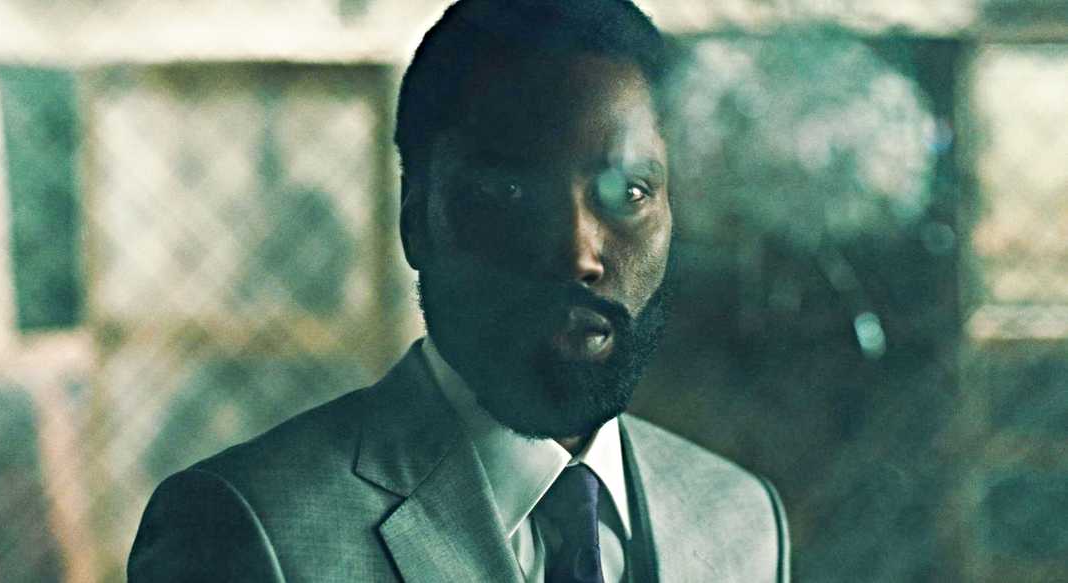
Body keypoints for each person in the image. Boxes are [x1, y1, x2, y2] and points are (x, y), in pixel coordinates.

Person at [128, 0, 790, 581]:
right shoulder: (245, 527)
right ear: (415, 219)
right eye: (510, 192)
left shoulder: (741, 519)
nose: (579, 254)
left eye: (630, 192)